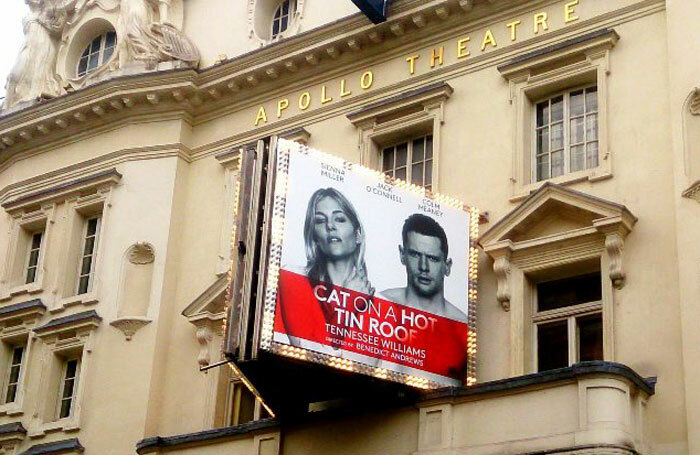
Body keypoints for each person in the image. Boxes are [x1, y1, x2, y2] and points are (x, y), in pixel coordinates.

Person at [275, 188, 374, 353]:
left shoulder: (377, 303)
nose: (330, 226)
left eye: (340, 219)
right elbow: (308, 352)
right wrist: (348, 306)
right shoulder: (293, 278)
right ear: (314, 236)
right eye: (320, 221)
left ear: (357, 235)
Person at [381, 213, 467, 322]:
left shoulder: (461, 323)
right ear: (402, 255)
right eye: (415, 255)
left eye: (432, 258)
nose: (423, 267)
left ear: (447, 266)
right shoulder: (380, 303)